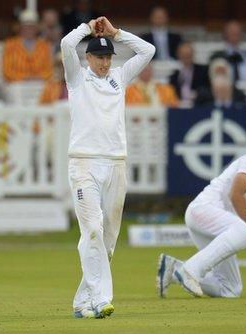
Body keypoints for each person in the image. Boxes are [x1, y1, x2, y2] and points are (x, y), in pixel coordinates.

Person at [61, 16, 154, 318]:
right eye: (98, 57)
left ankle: (82, 301)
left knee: (109, 239)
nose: (103, 63)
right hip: (84, 163)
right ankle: (101, 298)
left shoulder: (119, 77)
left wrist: (116, 33)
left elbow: (148, 51)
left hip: (116, 163)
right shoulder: (77, 78)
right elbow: (65, 44)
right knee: (92, 230)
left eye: (107, 57)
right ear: (87, 57)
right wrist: (86, 29)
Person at [157, 132, 246, 298]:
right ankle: (190, 270)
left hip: (221, 228)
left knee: (231, 289)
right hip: (203, 210)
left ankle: (173, 269)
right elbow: (236, 195)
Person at [2, 9, 52, 83]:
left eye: (32, 27)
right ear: (20, 28)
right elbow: (7, 71)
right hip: (17, 85)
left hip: (39, 84)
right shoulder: (10, 45)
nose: (29, 30)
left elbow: (49, 70)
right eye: (26, 26)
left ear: (37, 28)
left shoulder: (44, 46)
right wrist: (24, 78)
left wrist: (37, 78)